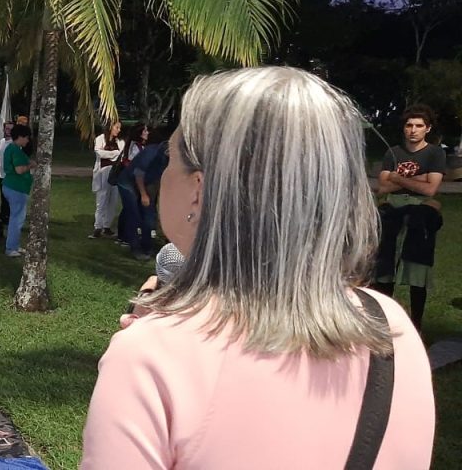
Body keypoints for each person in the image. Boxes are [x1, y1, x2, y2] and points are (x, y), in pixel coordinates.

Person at [81, 67, 433, 469]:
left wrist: (159, 338)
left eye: (170, 158)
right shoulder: (389, 326)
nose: (163, 173)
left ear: (199, 188)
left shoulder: (149, 358)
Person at [373, 104, 446, 332]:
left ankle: (416, 325)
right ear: (404, 128)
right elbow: (382, 188)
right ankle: (383, 323)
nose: (413, 130)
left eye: (419, 126)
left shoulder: (435, 153)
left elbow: (430, 190)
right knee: (384, 264)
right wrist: (419, 178)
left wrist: (398, 178)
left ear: (428, 129)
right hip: (392, 209)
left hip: (420, 211)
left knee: (417, 266)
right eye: (409, 125)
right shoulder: (393, 152)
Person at [1, 124, 33, 257]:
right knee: (17, 219)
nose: (28, 140)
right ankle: (11, 248)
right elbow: (19, 170)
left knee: (17, 218)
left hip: (12, 186)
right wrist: (31, 165)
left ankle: (14, 245)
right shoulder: (15, 150)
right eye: (27, 137)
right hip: (16, 188)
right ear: (20, 137)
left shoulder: (11, 148)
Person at [90, 121, 122, 239]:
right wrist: (114, 153)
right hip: (103, 172)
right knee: (102, 199)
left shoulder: (119, 142)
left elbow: (121, 155)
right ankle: (98, 226)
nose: (118, 130)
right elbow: (100, 153)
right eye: (117, 127)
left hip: (115, 172)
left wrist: (114, 154)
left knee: (113, 199)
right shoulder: (100, 139)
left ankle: (107, 226)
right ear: (110, 127)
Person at [0, 121, 13, 226]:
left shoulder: (15, 143)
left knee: (9, 198)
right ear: (4, 129)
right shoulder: (2, 141)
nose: (9, 131)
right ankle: (3, 216)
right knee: (4, 197)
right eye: (7, 128)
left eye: (11, 129)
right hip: (2, 174)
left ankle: (8, 218)